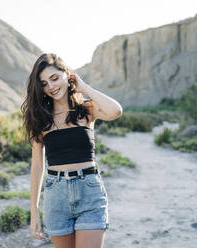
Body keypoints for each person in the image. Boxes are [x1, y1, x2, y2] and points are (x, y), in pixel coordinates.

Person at [20, 53, 122, 248]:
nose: (51, 86)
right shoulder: (41, 119)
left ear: (68, 75)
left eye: (55, 78)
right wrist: (34, 210)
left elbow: (115, 111)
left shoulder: (87, 110)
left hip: (89, 192)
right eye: (44, 83)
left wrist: (83, 87)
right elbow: (37, 165)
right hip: (56, 196)